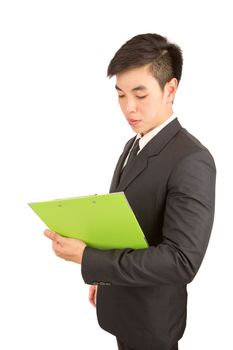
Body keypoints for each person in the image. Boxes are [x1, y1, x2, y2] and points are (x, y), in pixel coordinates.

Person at [44, 33, 216, 350]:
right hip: (123, 307)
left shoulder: (193, 160)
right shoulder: (134, 144)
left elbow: (181, 261)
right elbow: (125, 220)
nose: (128, 108)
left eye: (140, 94)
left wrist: (89, 258)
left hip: (152, 323)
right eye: (121, 95)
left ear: (171, 89)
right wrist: (102, 277)